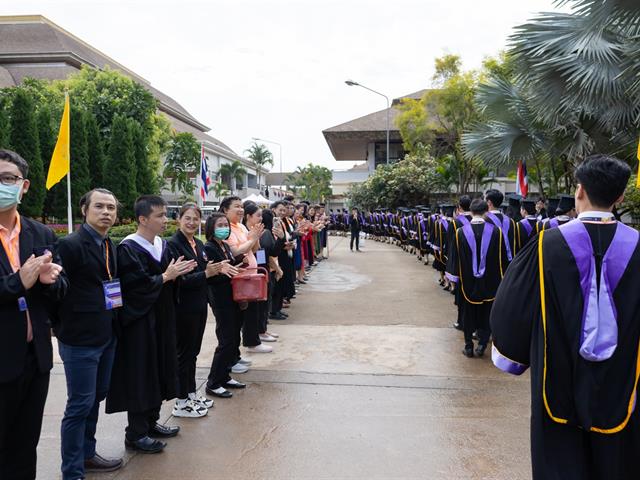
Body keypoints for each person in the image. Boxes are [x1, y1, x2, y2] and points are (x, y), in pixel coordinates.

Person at [490, 154, 640, 479]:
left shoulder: (546, 244)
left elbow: (511, 308)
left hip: (556, 382)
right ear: (621, 196)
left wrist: (514, 353)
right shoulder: (638, 246)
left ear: (579, 191)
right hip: (625, 384)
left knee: (560, 460)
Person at [106, 195, 196, 454]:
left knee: (160, 368)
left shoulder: (162, 245)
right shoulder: (128, 248)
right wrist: (166, 276)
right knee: (141, 375)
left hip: (164, 319)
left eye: (165, 214)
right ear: (143, 219)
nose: (164, 219)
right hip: (139, 323)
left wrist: (176, 276)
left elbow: (170, 280)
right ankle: (135, 433)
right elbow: (133, 289)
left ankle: (151, 422)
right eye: (159, 215)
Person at [0, 149, 67, 479]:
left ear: (23, 186)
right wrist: (17, 282)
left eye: (8, 178)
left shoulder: (40, 234)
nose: (2, 185)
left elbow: (60, 290)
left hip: (35, 358)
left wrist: (50, 282)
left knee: (25, 445)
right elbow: (15, 285)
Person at [55, 188, 122, 479]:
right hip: (79, 339)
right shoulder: (70, 245)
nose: (106, 212)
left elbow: (111, 283)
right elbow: (55, 290)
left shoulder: (109, 243)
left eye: (111, 207)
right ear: (84, 210)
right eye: (99, 207)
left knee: (96, 397)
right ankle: (72, 470)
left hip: (106, 333)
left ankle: (87, 453)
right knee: (79, 403)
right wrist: (62, 327)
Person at [167, 203, 234, 418]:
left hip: (198, 304)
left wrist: (216, 270)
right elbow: (181, 279)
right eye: (187, 218)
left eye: (195, 219)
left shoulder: (197, 243)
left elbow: (205, 270)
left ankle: (190, 392)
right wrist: (207, 273)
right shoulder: (174, 245)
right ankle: (181, 400)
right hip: (183, 306)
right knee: (184, 354)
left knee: (193, 353)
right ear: (179, 219)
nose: (191, 222)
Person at [446, 199, 505, 358]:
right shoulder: (496, 232)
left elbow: (455, 259)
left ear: (471, 212)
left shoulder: (460, 233)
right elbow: (502, 260)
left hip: (467, 283)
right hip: (490, 282)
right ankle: (482, 346)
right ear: (486, 211)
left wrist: (453, 279)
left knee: (468, 313)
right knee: (486, 313)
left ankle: (468, 347)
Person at [203, 212, 244, 399]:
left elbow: (230, 266)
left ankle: (225, 375)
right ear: (211, 228)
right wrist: (225, 270)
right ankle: (213, 382)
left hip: (233, 297)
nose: (224, 227)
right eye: (220, 224)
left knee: (234, 338)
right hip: (220, 300)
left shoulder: (225, 246)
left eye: (225, 224)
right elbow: (212, 276)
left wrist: (237, 265)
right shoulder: (209, 248)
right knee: (226, 340)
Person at [238, 201, 272, 353]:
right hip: (245, 275)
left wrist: (255, 237)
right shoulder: (241, 229)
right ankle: (252, 340)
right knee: (249, 312)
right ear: (248, 216)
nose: (260, 218)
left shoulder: (246, 229)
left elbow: (256, 249)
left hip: (254, 271)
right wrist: (253, 237)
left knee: (256, 308)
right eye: (257, 215)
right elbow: (240, 251)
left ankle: (255, 337)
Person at [484, 189, 516, 264]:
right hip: (508, 261)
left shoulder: (484, 220)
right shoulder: (510, 221)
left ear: (489, 203)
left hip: (491, 262)